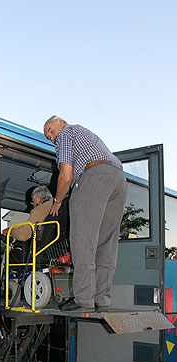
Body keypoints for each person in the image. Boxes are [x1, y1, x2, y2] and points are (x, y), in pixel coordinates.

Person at [43, 116, 128, 312]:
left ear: (61, 122)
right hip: (118, 179)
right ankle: (102, 299)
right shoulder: (87, 135)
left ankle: (83, 300)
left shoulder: (66, 133)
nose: (51, 137)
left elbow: (66, 175)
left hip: (93, 177)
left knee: (83, 240)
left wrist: (57, 201)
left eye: (50, 130)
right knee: (106, 243)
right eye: (48, 136)